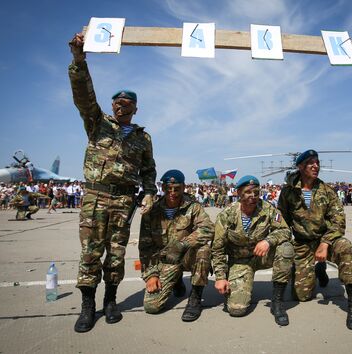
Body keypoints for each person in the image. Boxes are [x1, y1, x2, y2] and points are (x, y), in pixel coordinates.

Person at [69, 33, 157, 333]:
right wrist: (79, 60)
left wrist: (148, 192)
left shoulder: (143, 138)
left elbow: (149, 170)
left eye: (127, 104)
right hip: (95, 198)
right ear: (112, 105)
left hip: (123, 201)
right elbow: (83, 95)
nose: (121, 107)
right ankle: (87, 306)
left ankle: (110, 301)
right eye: (117, 103)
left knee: (117, 253)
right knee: (91, 253)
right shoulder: (97, 123)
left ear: (135, 108)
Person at [277, 150, 352, 330]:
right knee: (302, 296)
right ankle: (316, 269)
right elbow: (281, 219)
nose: (316, 166)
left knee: (346, 247)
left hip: (326, 241)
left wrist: (325, 244)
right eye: (310, 163)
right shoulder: (288, 192)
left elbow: (338, 221)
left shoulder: (327, 190)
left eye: (317, 162)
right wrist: (286, 243)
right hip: (302, 243)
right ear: (300, 166)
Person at [212, 175, 294, 326]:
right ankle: (242, 283)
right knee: (237, 309)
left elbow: (285, 231)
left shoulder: (267, 208)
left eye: (256, 192)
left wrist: (268, 241)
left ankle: (277, 301)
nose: (253, 196)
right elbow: (218, 248)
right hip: (240, 261)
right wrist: (220, 277)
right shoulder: (227, 215)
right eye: (248, 192)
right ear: (238, 193)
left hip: (262, 256)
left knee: (286, 248)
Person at [139, 170, 213, 322]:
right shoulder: (152, 211)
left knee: (203, 249)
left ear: (184, 187)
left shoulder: (193, 207)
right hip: (166, 261)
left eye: (177, 188)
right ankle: (176, 279)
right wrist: (151, 275)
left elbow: (208, 228)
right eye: (168, 188)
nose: (172, 192)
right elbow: (145, 247)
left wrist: (183, 243)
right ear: (163, 188)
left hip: (186, 255)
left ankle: (195, 298)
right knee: (151, 306)